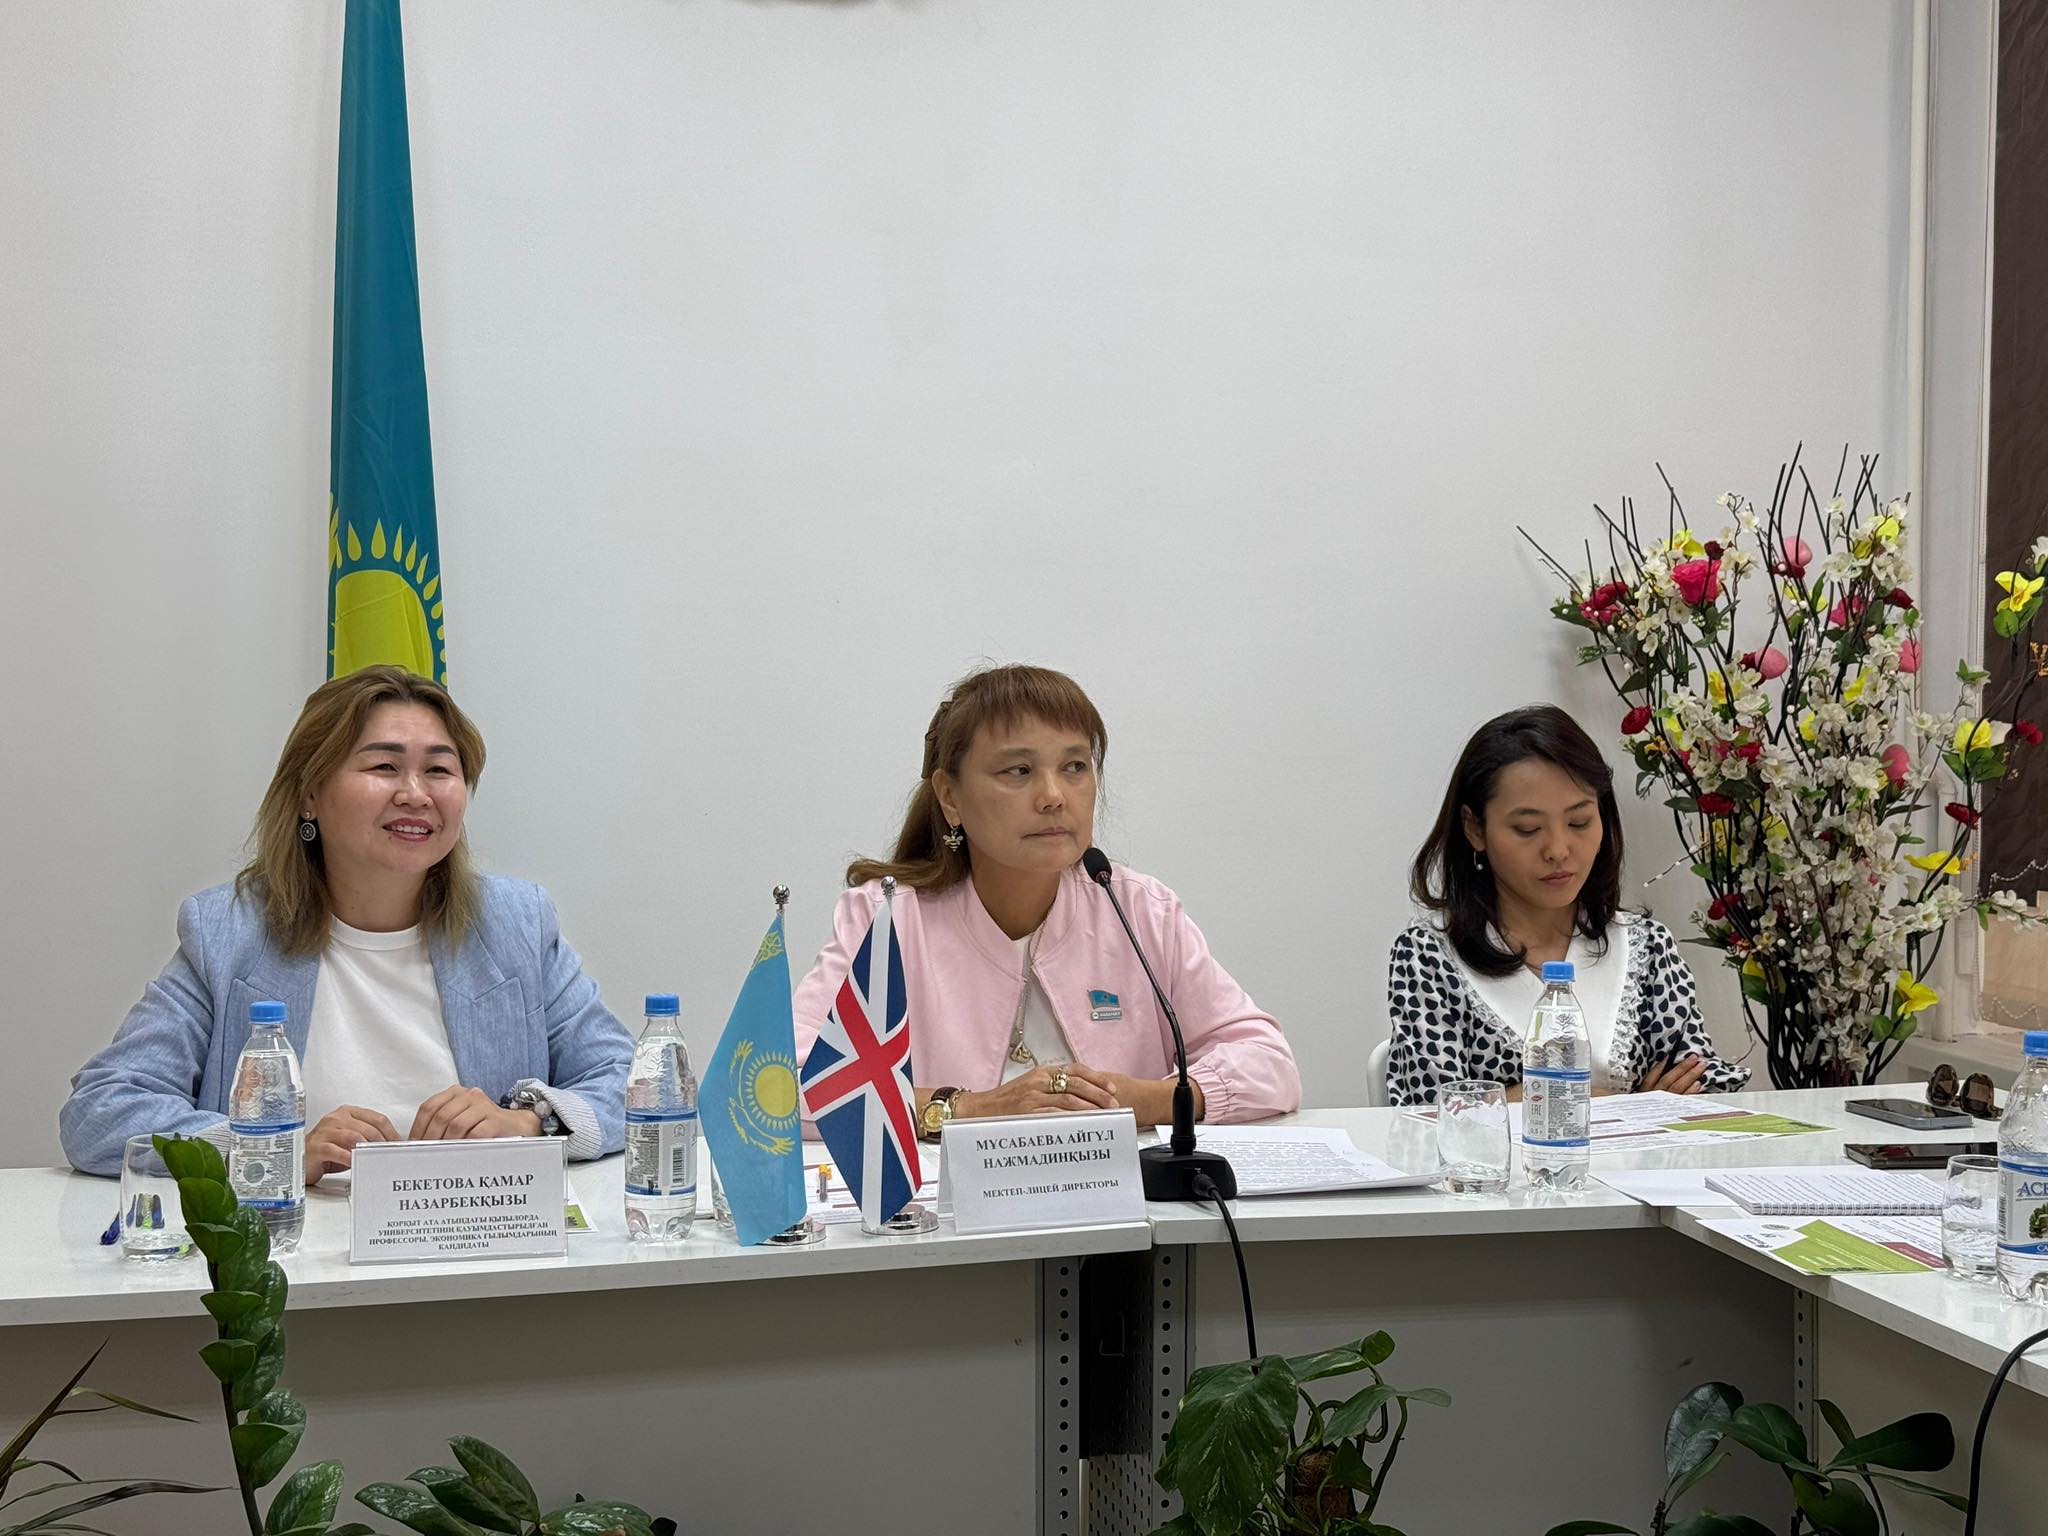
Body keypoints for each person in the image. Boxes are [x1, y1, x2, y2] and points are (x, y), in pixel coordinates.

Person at [60, 666, 631, 1179]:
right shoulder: (229, 933)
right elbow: (100, 1113)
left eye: (439, 769)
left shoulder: (516, 923)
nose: (416, 794)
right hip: (295, 1248)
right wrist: (271, 1151)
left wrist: (531, 1124)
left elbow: (636, 1083)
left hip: (479, 1241)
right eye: (384, 766)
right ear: (310, 793)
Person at [793, 664, 1300, 1138]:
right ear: (950, 797)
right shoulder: (887, 919)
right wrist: (971, 1108)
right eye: (1018, 771)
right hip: (949, 1203)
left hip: (1120, 1198)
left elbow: (1268, 1065)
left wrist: (1142, 1101)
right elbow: (783, 1086)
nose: (1054, 795)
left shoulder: (1140, 910)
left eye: (1075, 766)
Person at [1384, 703, 1749, 1108]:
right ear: (1475, 828)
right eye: (1527, 829)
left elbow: (1700, 1084)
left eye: (1579, 822)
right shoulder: (1429, 956)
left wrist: (1514, 1099)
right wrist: (1629, 1103)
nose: (1558, 850)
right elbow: (1430, 1111)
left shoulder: (1645, 945)